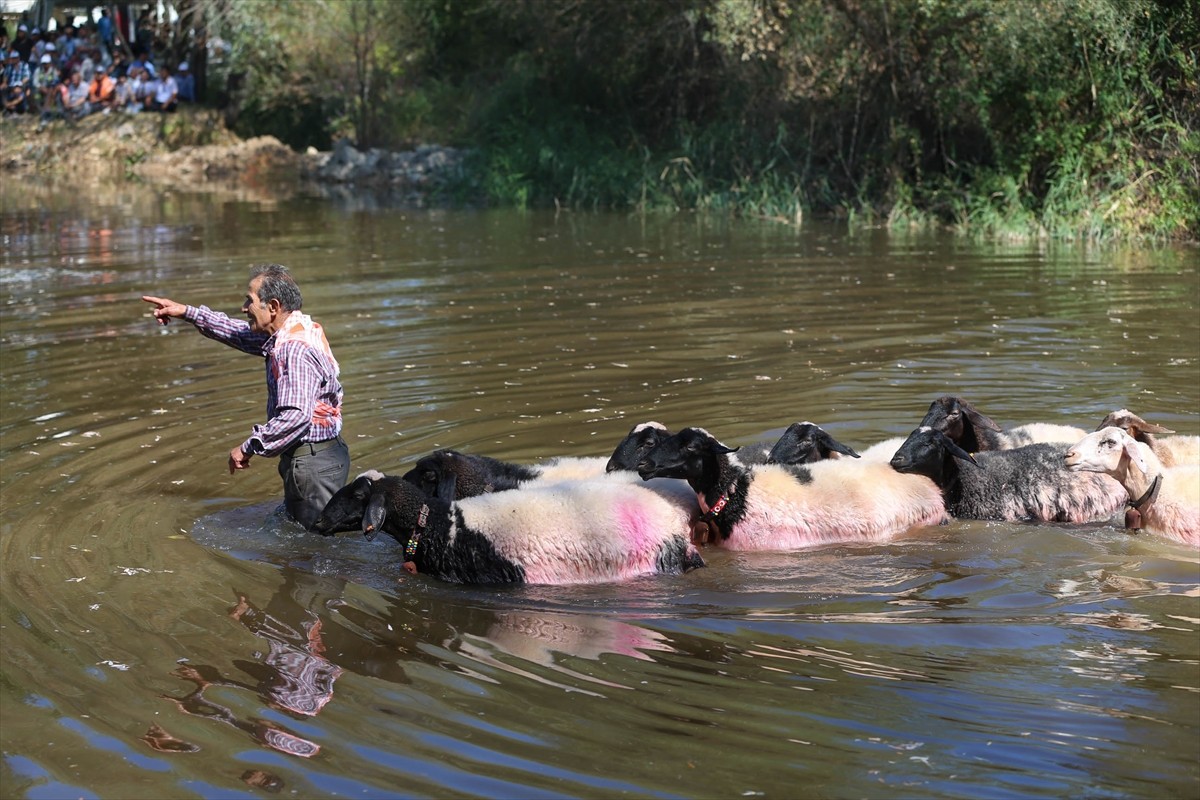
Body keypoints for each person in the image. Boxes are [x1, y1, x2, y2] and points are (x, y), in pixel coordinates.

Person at [141, 264, 349, 529]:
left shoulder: (292, 349)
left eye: (249, 300)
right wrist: (187, 312)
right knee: (312, 533)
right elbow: (237, 333)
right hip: (320, 458)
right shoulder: (295, 329)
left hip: (313, 464)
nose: (243, 308)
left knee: (313, 544)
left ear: (273, 307)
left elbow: (296, 417)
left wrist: (249, 446)